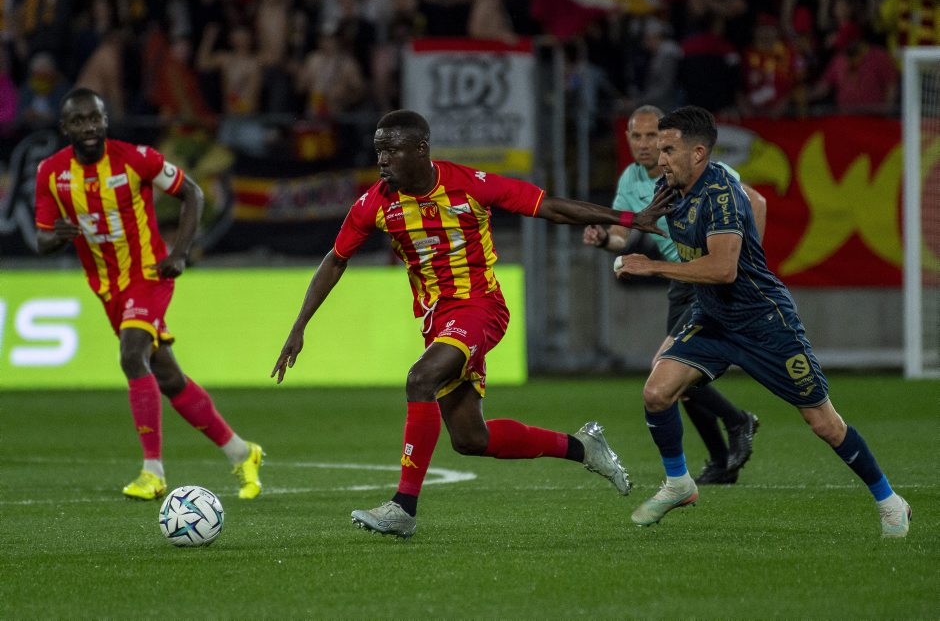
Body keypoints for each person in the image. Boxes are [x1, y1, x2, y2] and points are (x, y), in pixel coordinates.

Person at [271, 109, 673, 539]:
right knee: (470, 439)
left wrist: (628, 219)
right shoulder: (376, 203)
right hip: (438, 321)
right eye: (378, 151)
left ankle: (403, 507)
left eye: (392, 150)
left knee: (420, 379)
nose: (382, 160)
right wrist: (299, 326)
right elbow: (336, 260)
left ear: (421, 149)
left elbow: (549, 207)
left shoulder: (469, 185)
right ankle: (582, 447)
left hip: (479, 308)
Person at [615, 105, 911, 538]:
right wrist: (610, 231)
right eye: (659, 149)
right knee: (657, 392)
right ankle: (679, 483)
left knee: (824, 423)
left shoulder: (721, 195)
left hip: (763, 321)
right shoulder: (670, 187)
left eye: (668, 150)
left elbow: (724, 270)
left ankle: (889, 501)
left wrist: (652, 267)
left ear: (698, 153)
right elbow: (640, 220)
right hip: (713, 316)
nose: (659, 159)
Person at [34, 88, 263, 502]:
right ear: (65, 127)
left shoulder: (136, 158)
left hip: (149, 274)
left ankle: (152, 472)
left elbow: (192, 192)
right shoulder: (51, 173)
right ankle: (242, 452)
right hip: (107, 286)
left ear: (105, 120)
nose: (89, 127)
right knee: (169, 378)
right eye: (79, 121)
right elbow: (42, 239)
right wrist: (58, 237)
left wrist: (180, 252)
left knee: (131, 354)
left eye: (95, 118)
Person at [584, 105, 763, 485]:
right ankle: (721, 462)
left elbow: (757, 203)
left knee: (666, 368)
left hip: (706, 276)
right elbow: (621, 237)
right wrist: (602, 239)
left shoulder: (704, 172)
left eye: (653, 137)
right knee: (682, 382)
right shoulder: (631, 179)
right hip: (681, 280)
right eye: (637, 136)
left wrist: (747, 262)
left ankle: (737, 420)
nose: (645, 144)